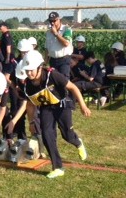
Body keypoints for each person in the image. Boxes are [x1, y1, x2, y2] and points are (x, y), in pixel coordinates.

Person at [21, 50, 90, 179]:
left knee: (67, 135)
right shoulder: (28, 85)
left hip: (62, 105)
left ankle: (78, 142)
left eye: (31, 70)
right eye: (27, 70)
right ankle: (58, 167)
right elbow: (30, 105)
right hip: (47, 108)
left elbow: (73, 87)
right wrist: (31, 122)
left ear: (39, 67)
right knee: (47, 135)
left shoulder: (52, 75)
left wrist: (83, 105)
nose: (29, 73)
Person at [45, 12, 73, 78]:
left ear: (59, 19)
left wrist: (56, 33)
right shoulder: (48, 32)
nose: (52, 23)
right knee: (54, 81)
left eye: (54, 21)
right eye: (50, 21)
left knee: (64, 81)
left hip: (64, 60)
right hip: (53, 60)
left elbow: (66, 43)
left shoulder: (67, 29)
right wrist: (45, 61)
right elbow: (47, 48)